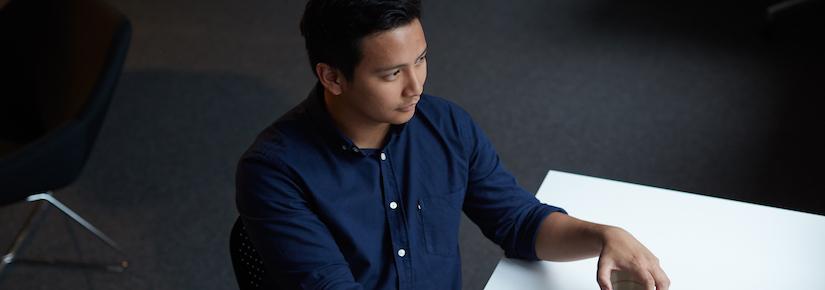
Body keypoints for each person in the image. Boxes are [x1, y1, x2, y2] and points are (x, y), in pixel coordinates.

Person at [235, 0, 670, 289]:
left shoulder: (445, 125)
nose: (416, 86)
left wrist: (604, 237)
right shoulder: (275, 172)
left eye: (421, 60)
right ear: (331, 77)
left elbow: (519, 223)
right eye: (391, 74)